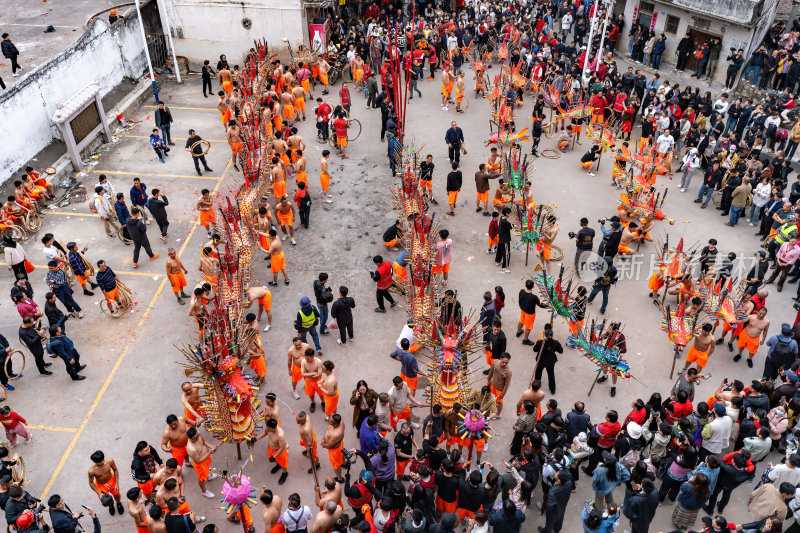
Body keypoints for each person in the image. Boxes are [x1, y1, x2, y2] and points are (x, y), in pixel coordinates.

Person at [88, 450, 124, 515]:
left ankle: (119, 503)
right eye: (100, 462)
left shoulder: (110, 461)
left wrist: (117, 483)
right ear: (95, 462)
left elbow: (115, 470)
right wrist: (99, 493)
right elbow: (91, 483)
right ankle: (111, 505)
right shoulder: (91, 471)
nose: (103, 462)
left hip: (111, 481)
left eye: (103, 459)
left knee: (117, 495)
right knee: (107, 500)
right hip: (101, 486)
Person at [186, 428, 219, 496]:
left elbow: (204, 442)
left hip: (206, 459)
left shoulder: (198, 433)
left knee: (206, 472)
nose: (198, 438)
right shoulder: (191, 449)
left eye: (198, 436)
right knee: (202, 479)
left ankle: (208, 476)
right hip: (200, 464)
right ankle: (204, 491)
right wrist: (209, 452)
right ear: (190, 438)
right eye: (195, 438)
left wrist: (211, 446)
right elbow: (198, 461)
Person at [533, 325, 563, 394]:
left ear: (544, 335)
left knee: (538, 373)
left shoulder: (540, 342)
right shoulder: (556, 343)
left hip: (541, 360)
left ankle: (536, 387)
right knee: (551, 374)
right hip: (551, 361)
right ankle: (552, 389)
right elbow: (561, 351)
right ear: (552, 336)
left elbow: (534, 349)